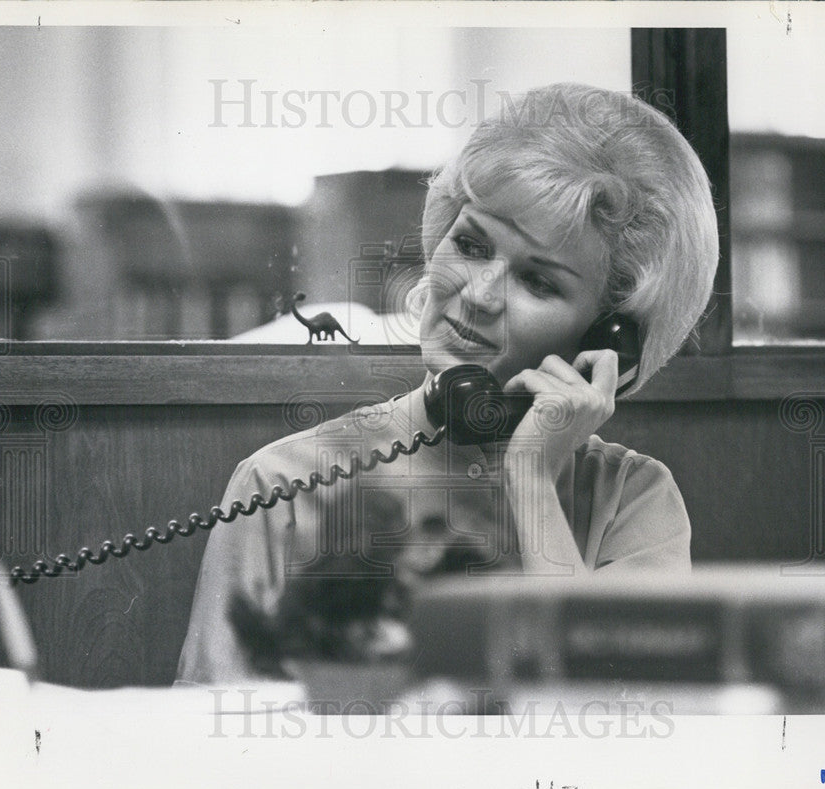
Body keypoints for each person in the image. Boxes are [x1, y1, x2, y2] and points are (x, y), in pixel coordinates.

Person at [176, 83, 719, 685]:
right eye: (470, 243)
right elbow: (216, 745)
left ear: (608, 341)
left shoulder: (632, 500)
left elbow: (605, 732)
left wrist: (532, 479)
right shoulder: (282, 483)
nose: (479, 295)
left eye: (539, 282)